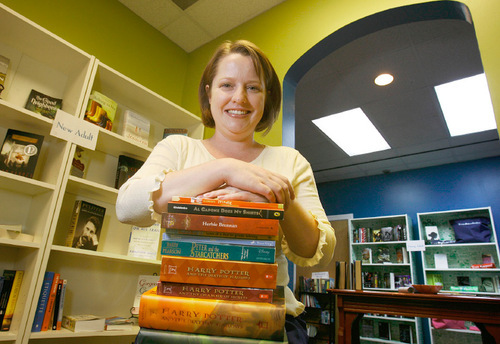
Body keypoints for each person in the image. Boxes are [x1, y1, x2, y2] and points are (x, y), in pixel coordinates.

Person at [116, 40, 336, 343]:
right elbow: (127, 207)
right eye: (227, 85)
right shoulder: (177, 148)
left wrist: (274, 201)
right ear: (209, 93)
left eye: (253, 88)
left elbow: (319, 254)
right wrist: (224, 169)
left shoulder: (290, 161)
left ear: (267, 97)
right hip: (181, 313)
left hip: (267, 320)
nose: (239, 98)